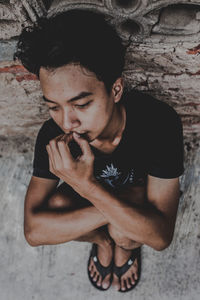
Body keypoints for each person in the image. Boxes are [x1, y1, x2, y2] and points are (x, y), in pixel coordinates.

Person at [14, 9, 184, 292]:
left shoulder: (158, 123)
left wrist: (86, 186)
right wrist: (111, 209)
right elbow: (34, 232)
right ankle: (103, 242)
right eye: (53, 107)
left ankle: (124, 246)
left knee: (125, 233)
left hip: (129, 211)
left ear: (116, 90)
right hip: (121, 210)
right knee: (61, 209)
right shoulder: (53, 135)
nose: (67, 122)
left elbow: (160, 237)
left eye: (81, 105)